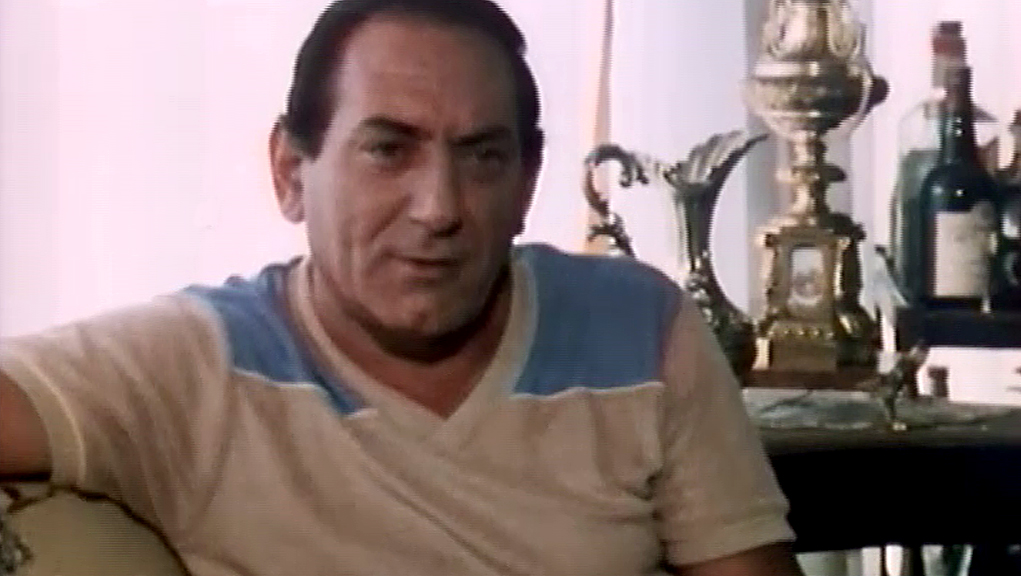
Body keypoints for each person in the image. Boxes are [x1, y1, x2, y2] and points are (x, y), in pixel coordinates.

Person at [0, 0, 805, 574]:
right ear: (290, 172)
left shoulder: (638, 327)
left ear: (527, 183)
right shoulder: (200, 365)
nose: (439, 208)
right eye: (388, 150)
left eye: (482, 157)